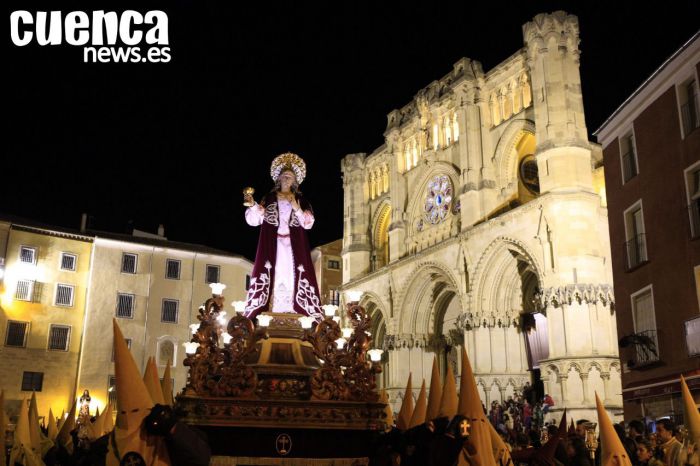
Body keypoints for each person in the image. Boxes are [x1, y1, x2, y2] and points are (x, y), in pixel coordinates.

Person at [243, 152, 324, 322]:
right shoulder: (270, 198)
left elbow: (308, 223)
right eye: (284, 175)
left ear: (295, 181)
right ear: (278, 179)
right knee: (275, 271)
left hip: (294, 246)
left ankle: (293, 310)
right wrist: (253, 204)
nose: (287, 178)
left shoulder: (301, 200)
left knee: (292, 273)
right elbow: (256, 219)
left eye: (290, 176)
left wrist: (296, 206)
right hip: (273, 244)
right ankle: (271, 309)